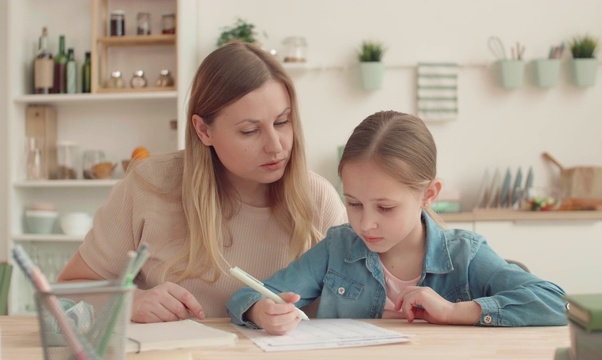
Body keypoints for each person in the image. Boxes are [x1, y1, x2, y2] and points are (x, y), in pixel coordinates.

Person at [57, 41, 347, 322]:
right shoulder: (148, 186)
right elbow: (68, 291)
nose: (275, 145)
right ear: (203, 130)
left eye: (282, 122)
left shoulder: (319, 199)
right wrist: (129, 302)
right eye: (249, 131)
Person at [227, 110, 568, 335]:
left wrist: (453, 312)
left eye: (386, 208)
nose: (366, 224)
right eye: (354, 204)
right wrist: (260, 310)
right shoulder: (338, 248)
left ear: (428, 194)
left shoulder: (466, 254)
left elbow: (554, 302)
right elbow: (249, 294)